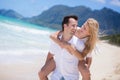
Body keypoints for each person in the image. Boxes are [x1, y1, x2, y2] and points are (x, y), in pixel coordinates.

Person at [38, 15, 99, 80]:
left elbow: (87, 58)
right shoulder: (74, 30)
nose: (81, 28)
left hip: (79, 58)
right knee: (42, 72)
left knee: (86, 72)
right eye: (83, 25)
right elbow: (53, 36)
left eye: (85, 29)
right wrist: (62, 44)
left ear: (89, 33)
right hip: (65, 55)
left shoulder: (88, 43)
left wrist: (86, 68)